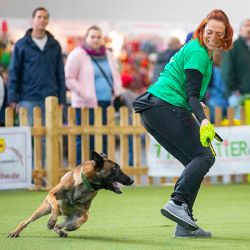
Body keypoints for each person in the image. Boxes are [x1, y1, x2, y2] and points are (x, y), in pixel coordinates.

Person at [133, 9, 233, 238]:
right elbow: (191, 96)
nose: (213, 37)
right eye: (209, 31)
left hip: (153, 109)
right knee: (205, 156)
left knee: (193, 160)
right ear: (202, 29)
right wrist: (204, 120)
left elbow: (190, 95)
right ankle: (177, 203)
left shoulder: (199, 50)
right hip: (165, 106)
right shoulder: (198, 52)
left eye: (219, 33)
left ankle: (183, 223)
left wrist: (197, 110)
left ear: (225, 35)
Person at [65, 25, 121, 164]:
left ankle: (102, 172)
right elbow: (68, 77)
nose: (96, 40)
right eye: (92, 36)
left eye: (98, 37)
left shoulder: (108, 55)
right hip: (85, 104)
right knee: (85, 139)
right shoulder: (78, 54)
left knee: (104, 138)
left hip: (106, 102)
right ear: (86, 38)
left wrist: (117, 89)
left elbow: (115, 74)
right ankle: (82, 170)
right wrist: (84, 94)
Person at [8, 7, 66, 125]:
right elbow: (14, 72)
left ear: (48, 21)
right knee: (28, 135)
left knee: (49, 138)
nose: (42, 20)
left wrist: (62, 99)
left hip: (51, 98)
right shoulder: (22, 44)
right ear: (32, 20)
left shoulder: (54, 45)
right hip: (28, 98)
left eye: (45, 17)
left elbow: (60, 73)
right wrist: (12, 98)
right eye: (39, 17)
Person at [221, 19, 250, 119]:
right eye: (246, 26)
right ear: (240, 29)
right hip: (238, 95)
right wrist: (234, 89)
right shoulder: (233, 47)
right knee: (240, 126)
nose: (249, 28)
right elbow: (226, 71)